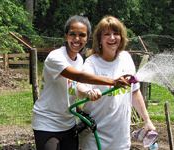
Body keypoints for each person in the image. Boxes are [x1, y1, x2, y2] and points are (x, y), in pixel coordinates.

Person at [32, 14, 131, 150]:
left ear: (87, 39)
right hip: (48, 124)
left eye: (82, 35)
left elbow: (72, 91)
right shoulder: (55, 57)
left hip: (69, 124)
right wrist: (113, 82)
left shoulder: (79, 59)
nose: (77, 39)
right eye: (73, 34)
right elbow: (79, 77)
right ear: (66, 36)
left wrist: (83, 114)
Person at [77, 15, 156, 150]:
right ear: (99, 40)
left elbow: (135, 93)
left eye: (116, 33)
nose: (112, 38)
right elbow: (80, 86)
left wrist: (147, 120)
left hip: (120, 139)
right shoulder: (92, 63)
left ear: (121, 37)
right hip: (94, 137)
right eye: (107, 34)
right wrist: (89, 92)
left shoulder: (126, 58)